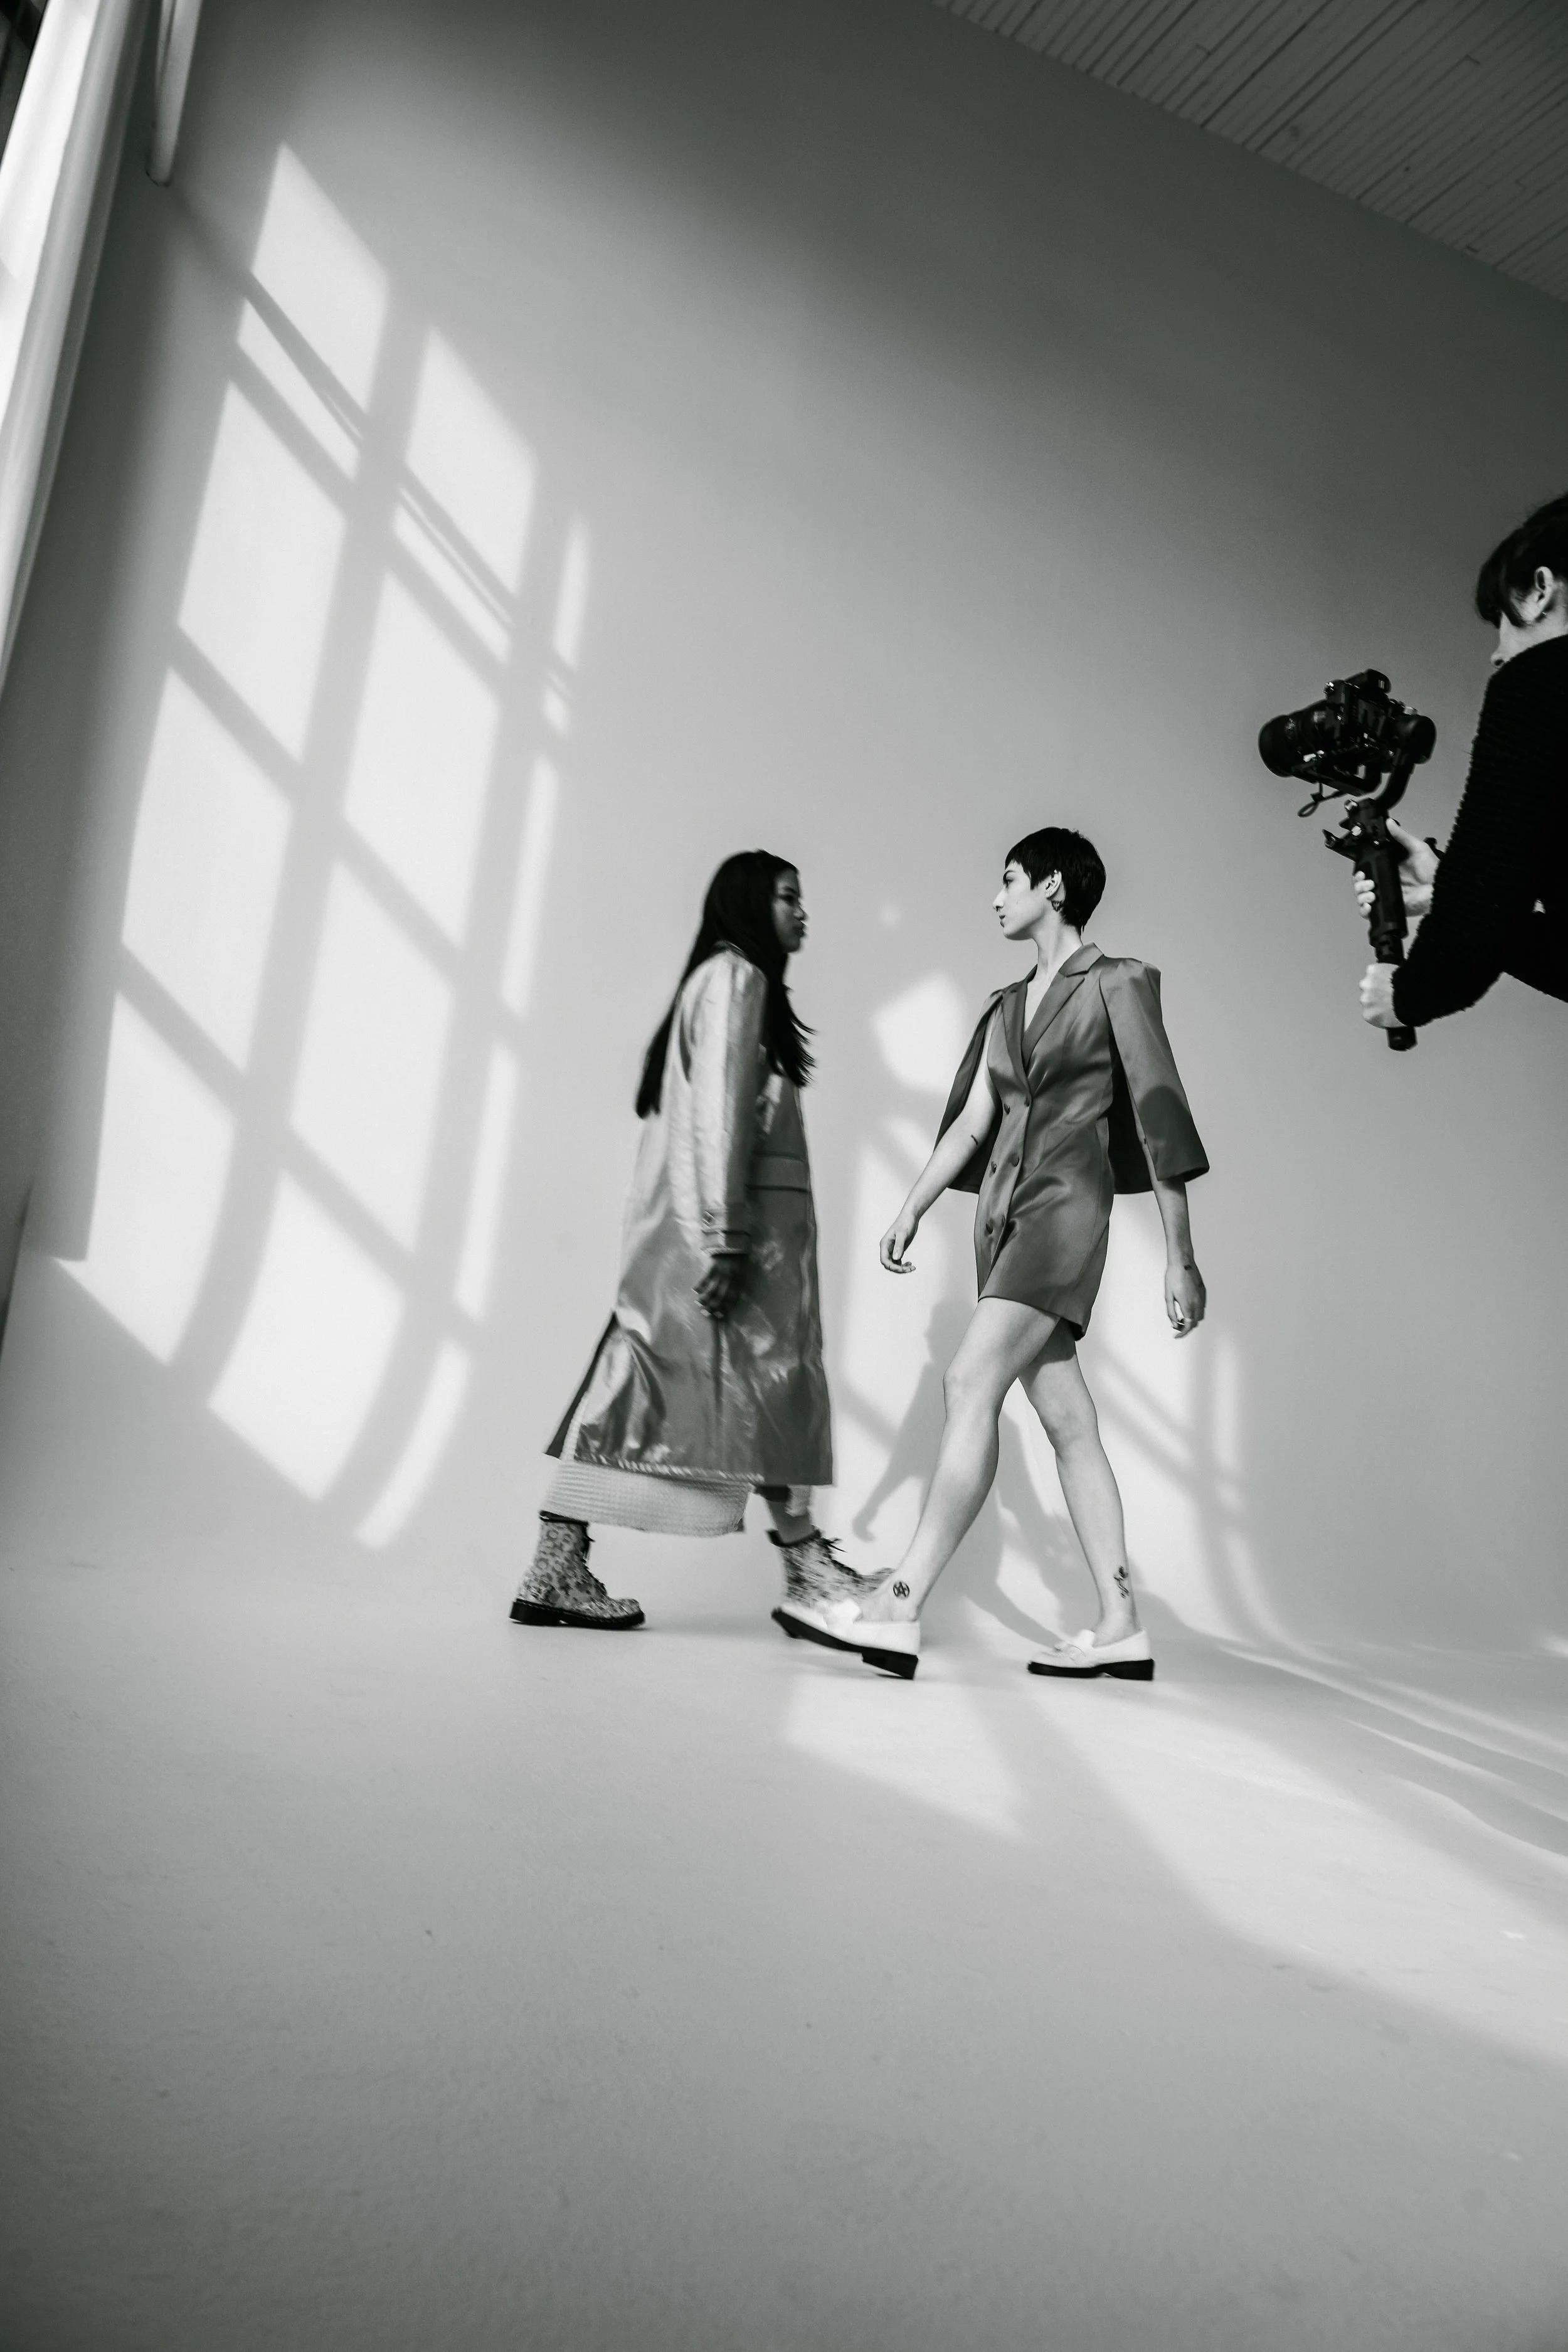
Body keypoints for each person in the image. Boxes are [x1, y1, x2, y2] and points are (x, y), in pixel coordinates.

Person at [775, 826, 1208, 1681]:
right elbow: (976, 1119)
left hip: (1064, 1211)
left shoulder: (1118, 983)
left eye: (1009, 880)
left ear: (1053, 886)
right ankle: (1122, 1618)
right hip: (1003, 1221)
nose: (996, 896)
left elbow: (1158, 1117)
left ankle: (899, 1603)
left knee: (970, 1380)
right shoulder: (1006, 1004)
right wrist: (912, 1203)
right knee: (1067, 1420)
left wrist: (1180, 1255)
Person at [511, 850, 869, 1632]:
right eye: (787, 898)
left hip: (706, 1235)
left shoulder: (721, 982)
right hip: (728, 1243)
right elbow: (718, 1110)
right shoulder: (737, 980)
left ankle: (794, 1561)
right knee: (682, 1391)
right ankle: (799, 1569)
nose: (802, 914)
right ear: (748, 904)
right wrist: (728, 1237)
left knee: (705, 1393)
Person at [1359, 493, 1568, 1032]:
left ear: (1541, 590)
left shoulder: (1542, 680)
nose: (1498, 652)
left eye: (1503, 617)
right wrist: (1448, 887)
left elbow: (1474, 926)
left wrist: (1405, 995)